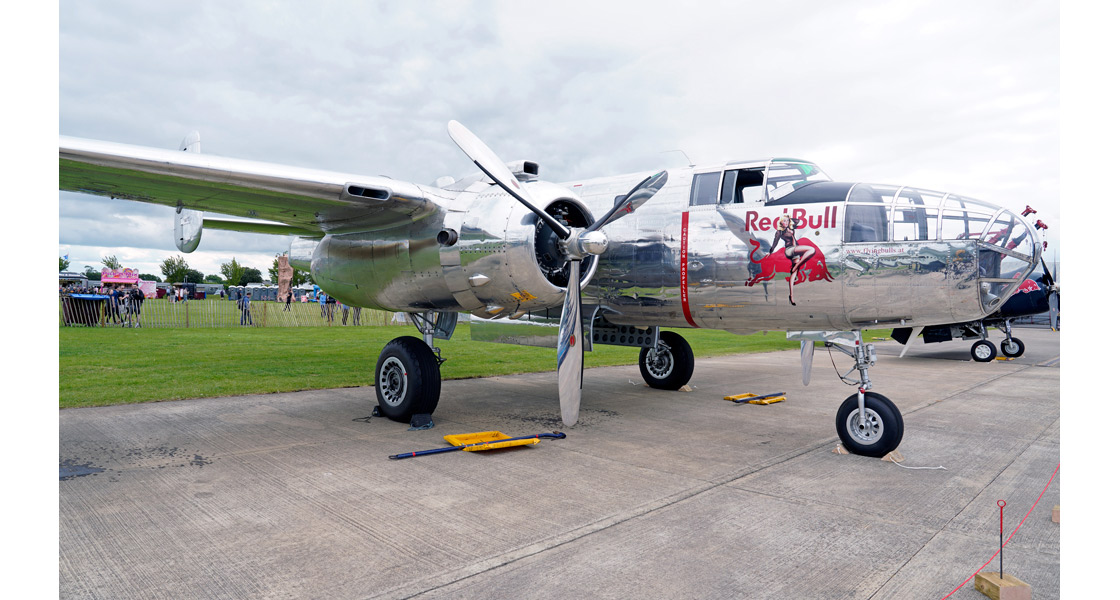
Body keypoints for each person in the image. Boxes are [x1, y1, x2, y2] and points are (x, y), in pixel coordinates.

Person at [765, 215, 815, 306]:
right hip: (790, 250)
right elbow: (775, 242)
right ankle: (797, 265)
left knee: (794, 273)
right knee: (811, 250)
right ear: (781, 222)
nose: (786, 222)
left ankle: (791, 296)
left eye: (787, 221)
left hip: (795, 251)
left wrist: (789, 219)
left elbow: (798, 221)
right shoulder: (780, 232)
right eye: (784, 221)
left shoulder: (791, 228)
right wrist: (770, 252)